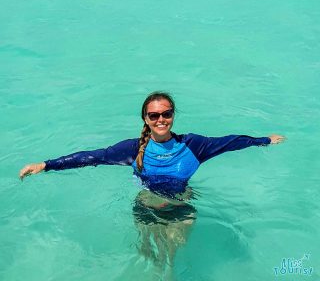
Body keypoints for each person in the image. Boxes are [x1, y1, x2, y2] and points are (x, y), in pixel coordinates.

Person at [19, 91, 285, 265]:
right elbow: (93, 157)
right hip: (145, 206)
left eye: (166, 114)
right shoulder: (133, 149)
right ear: (145, 119)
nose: (161, 119)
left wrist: (263, 141)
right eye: (154, 115)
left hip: (182, 207)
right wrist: (46, 165)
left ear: (173, 115)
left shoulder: (194, 145)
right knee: (149, 257)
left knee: (170, 258)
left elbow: (229, 142)